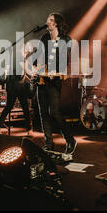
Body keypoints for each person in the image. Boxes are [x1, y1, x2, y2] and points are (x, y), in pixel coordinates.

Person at [33, 13, 76, 154]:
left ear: (56, 23)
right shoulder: (44, 38)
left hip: (55, 82)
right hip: (41, 80)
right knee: (43, 113)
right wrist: (35, 69)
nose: (47, 22)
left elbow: (65, 60)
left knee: (55, 113)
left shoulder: (66, 39)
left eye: (50, 20)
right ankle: (48, 144)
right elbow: (37, 58)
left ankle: (70, 140)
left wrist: (55, 71)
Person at [0, 44, 32, 135]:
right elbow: (23, 70)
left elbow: (23, 74)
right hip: (13, 86)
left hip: (19, 86)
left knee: (22, 107)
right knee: (13, 107)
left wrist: (29, 78)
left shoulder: (22, 58)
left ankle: (29, 130)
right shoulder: (19, 56)